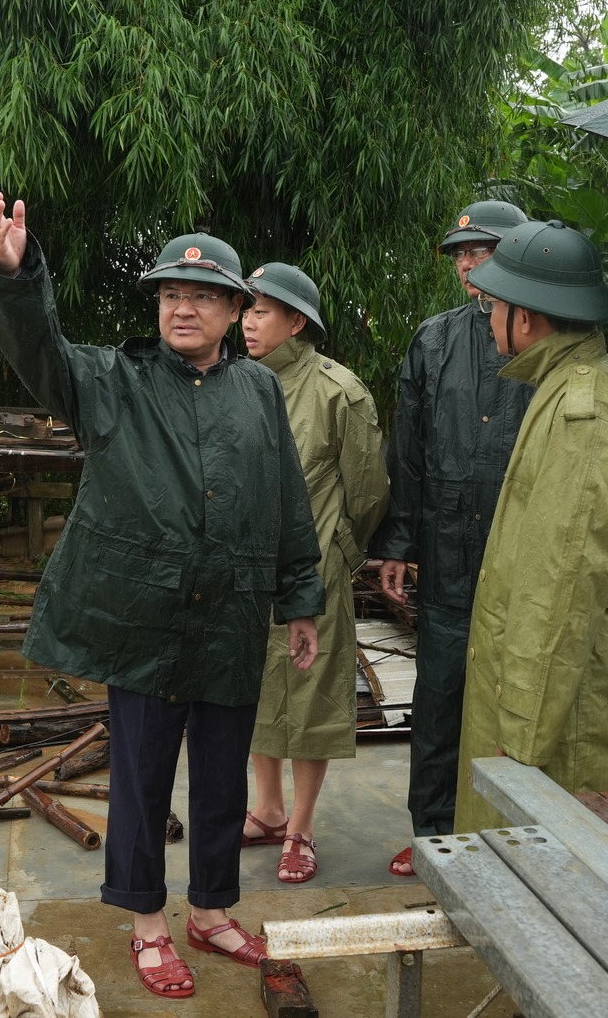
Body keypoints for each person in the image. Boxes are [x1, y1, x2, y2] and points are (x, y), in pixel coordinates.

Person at [0, 192, 324, 1000]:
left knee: (220, 776)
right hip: (144, 622)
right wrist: (15, 272)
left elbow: (286, 501)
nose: (182, 306)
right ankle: (147, 924)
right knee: (140, 778)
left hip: (231, 618)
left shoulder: (258, 393)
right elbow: (39, 350)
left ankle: (211, 909)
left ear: (236, 307)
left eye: (202, 294)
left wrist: (299, 596)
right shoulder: (114, 379)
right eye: (171, 292)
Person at [452, 220, 608, 830]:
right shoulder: (567, 385)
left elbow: (559, 588)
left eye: (493, 305)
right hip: (560, 691)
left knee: (551, 891)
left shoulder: (582, 412)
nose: (486, 318)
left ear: (528, 316)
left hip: (565, 710)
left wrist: (520, 737)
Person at [364, 199, 535, 875]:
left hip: (517, 555)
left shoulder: (544, 340)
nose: (467, 262)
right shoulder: (433, 341)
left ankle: (510, 832)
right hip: (445, 553)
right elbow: (407, 452)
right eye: (461, 254)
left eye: (481, 249)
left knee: (515, 698)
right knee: (438, 699)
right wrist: (398, 543)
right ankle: (434, 832)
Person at [240, 262, 391, 885]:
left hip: (315, 572)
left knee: (310, 697)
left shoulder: (339, 391)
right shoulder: (234, 382)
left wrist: (340, 555)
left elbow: (369, 490)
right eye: (245, 310)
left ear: (296, 321)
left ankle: (299, 828)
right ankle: (266, 809)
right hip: (246, 573)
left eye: (261, 311)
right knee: (252, 694)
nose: (248, 321)